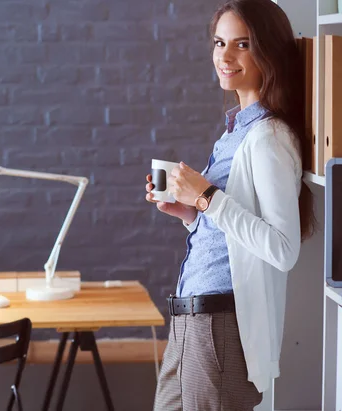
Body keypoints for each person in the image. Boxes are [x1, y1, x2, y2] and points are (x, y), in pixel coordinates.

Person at [146, 0, 316, 410]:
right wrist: (191, 214)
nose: (225, 55)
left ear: (268, 51)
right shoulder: (235, 132)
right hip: (190, 319)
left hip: (218, 325)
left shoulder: (268, 137)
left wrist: (206, 197)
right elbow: (231, 230)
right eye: (220, 42)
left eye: (242, 44)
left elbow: (282, 247)